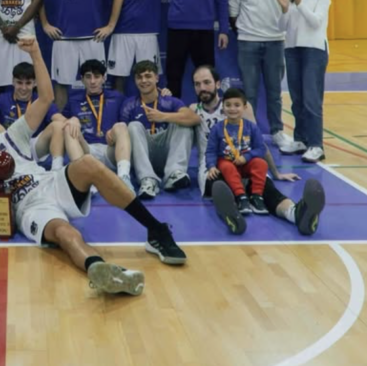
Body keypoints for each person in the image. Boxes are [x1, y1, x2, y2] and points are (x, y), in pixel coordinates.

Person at [0, 38, 187, 297]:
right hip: (29, 208)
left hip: (52, 183)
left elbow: (45, 97)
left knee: (87, 163)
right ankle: (100, 269)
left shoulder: (12, 135)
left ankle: (156, 231)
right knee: (65, 234)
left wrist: (35, 52)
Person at [191, 65, 325, 236]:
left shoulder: (239, 107)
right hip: (216, 168)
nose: (202, 88)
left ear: (217, 84)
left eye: (206, 82)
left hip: (245, 162)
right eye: (197, 84)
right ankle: (232, 216)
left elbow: (258, 144)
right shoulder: (193, 109)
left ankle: (296, 213)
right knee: (221, 187)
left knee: (266, 188)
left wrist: (275, 173)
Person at [229, 0, 294, 152]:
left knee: (275, 92)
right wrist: (248, 32)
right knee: (249, 93)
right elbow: (233, 14)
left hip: (275, 42)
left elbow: (290, 11)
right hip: (247, 43)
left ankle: (277, 132)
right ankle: (249, 133)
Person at [277, 0, 331, 163]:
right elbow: (282, 27)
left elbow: (316, 22)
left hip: (314, 51)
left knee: (311, 100)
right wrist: (284, 8)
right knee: (297, 99)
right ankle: (300, 139)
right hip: (292, 49)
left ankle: (316, 145)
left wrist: (300, 4)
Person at [121, 60, 200, 197]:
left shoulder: (169, 100)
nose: (143, 80)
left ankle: (174, 173)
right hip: (142, 155)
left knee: (182, 121)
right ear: (134, 80)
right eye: (139, 77)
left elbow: (194, 118)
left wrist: (163, 116)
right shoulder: (129, 104)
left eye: (148, 76)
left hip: (167, 153)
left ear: (157, 78)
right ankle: (147, 180)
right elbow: (121, 135)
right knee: (132, 126)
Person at [56, 59, 133, 192]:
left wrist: (163, 93)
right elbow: (57, 123)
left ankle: (123, 178)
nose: (92, 81)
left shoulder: (117, 97)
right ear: (82, 80)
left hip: (111, 150)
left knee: (121, 126)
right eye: (88, 77)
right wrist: (71, 119)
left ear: (104, 78)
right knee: (68, 127)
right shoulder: (74, 100)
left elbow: (140, 104)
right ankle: (84, 178)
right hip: (87, 152)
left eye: (97, 77)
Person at [0, 62, 64, 170]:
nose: (24, 88)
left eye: (28, 83)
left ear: (35, 83)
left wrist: (71, 121)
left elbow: (59, 118)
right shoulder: (3, 99)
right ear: (13, 81)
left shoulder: (41, 101)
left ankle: (56, 169)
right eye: (19, 83)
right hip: (9, 146)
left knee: (58, 125)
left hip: (34, 146)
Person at [204, 88, 269, 215]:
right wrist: (211, 166)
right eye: (228, 105)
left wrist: (247, 157)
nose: (232, 109)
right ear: (223, 107)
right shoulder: (217, 128)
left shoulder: (251, 127)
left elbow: (261, 148)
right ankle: (241, 197)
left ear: (244, 107)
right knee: (225, 166)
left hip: (246, 162)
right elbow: (211, 151)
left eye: (237, 105)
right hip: (227, 161)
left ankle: (257, 197)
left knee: (261, 164)